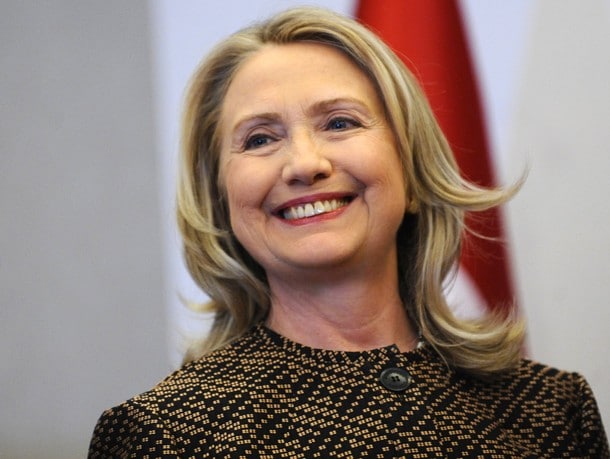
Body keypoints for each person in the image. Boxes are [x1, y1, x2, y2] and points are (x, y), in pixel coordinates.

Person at [88, 7, 609, 458]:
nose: (304, 164)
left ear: (411, 170)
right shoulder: (161, 436)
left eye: (339, 123)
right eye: (261, 138)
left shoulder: (553, 410)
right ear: (220, 199)